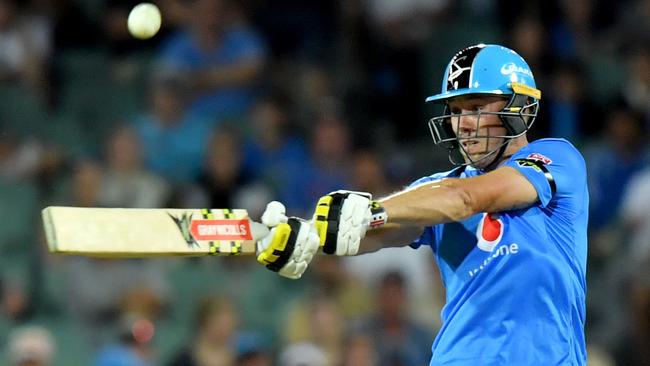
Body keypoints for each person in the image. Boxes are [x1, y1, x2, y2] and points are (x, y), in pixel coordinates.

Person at [255, 44, 589, 365]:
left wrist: (373, 210)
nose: (464, 124)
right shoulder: (432, 193)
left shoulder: (557, 158)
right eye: (456, 112)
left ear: (522, 109)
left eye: (476, 108)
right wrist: (309, 236)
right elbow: (375, 234)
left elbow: (465, 199)